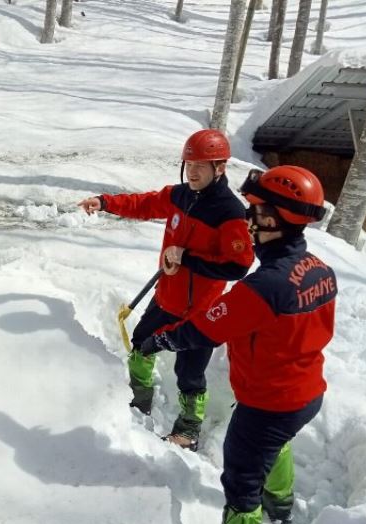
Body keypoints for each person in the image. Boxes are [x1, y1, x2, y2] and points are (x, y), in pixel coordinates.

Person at [137, 166, 336, 524]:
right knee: (274, 445)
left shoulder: (262, 288)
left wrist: (159, 339)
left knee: (242, 482)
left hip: (267, 403)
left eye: (256, 213)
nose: (248, 222)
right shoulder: (319, 270)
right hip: (307, 394)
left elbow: (204, 328)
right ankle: (280, 505)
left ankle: (248, 518)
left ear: (277, 221)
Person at [78, 129, 254, 450]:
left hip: (200, 314)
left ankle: (187, 430)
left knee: (190, 375)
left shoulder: (230, 212)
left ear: (221, 168)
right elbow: (144, 203)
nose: (193, 171)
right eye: (189, 164)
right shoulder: (181, 195)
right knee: (140, 348)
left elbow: (238, 265)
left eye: (202, 165)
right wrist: (104, 202)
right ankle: (138, 400)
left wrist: (188, 258)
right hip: (165, 298)